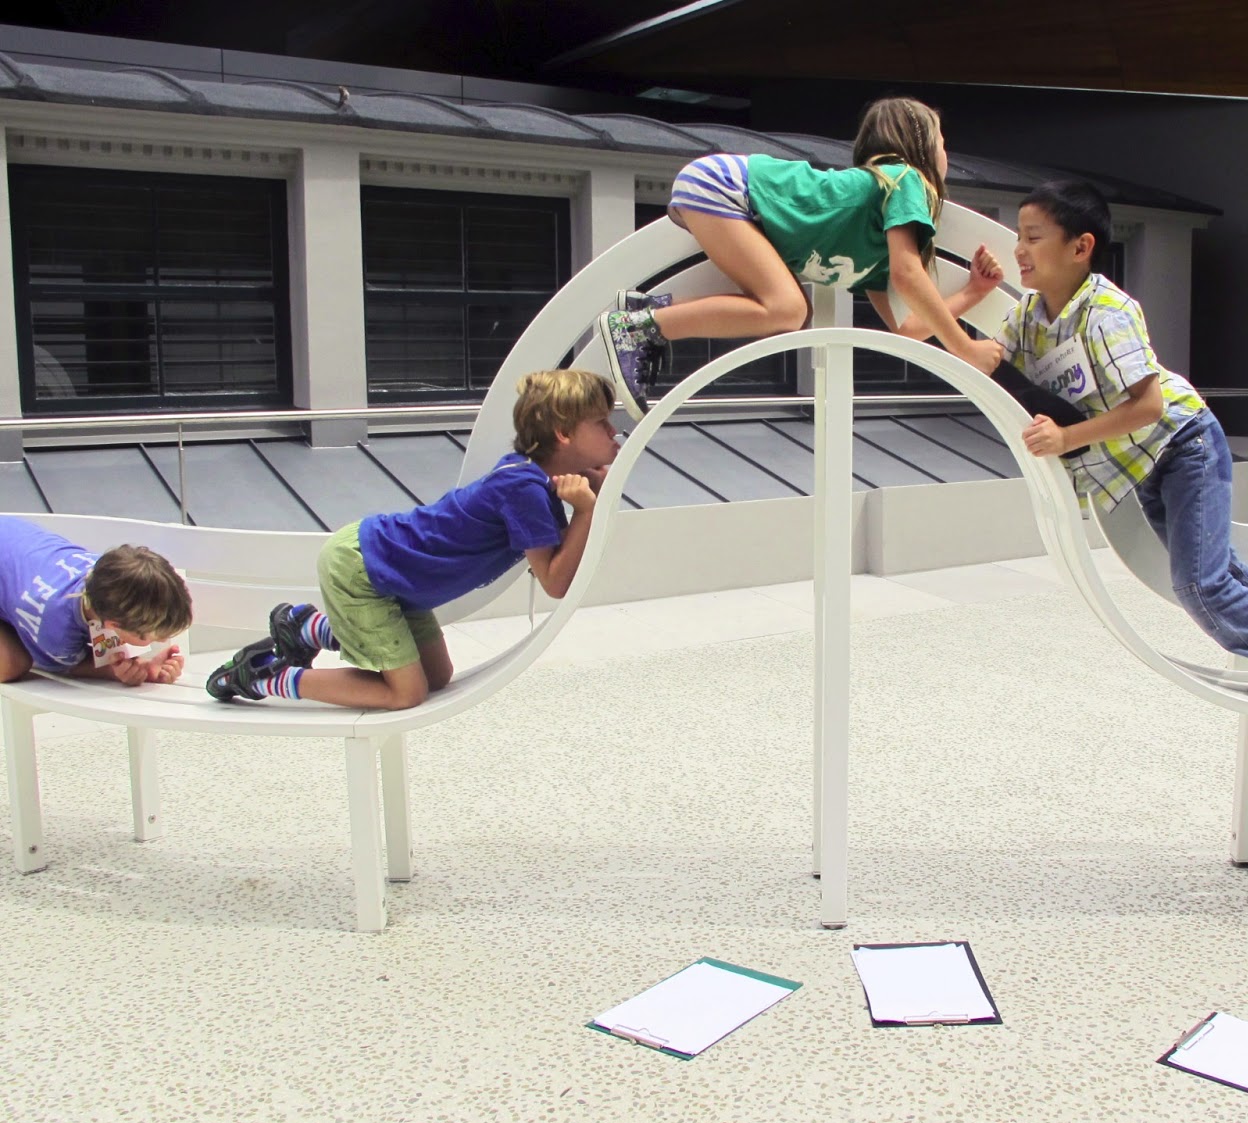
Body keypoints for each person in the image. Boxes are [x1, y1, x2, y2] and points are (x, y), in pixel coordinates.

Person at [989, 177, 1248, 701]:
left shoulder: (1107, 311)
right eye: (1019, 235)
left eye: (1033, 236)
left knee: (1200, 584)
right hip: (1143, 460)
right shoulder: (1028, 316)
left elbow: (1149, 406)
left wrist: (1066, 437)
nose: (1018, 249)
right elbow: (986, 360)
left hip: (1183, 443)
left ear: (1081, 247)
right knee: (1223, 574)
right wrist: (958, 298)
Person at [205, 370, 620, 711]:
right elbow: (555, 581)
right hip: (365, 568)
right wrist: (587, 511)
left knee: (437, 677)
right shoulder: (524, 488)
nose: (613, 431)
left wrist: (590, 499)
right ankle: (264, 676)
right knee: (406, 694)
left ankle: (307, 628)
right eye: (601, 422)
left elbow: (562, 556)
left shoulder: (534, 479)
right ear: (563, 433)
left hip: (397, 577)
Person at [598, 96, 1005, 419]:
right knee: (788, 309)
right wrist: (964, 350)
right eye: (943, 142)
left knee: (792, 310)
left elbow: (906, 329)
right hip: (725, 187)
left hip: (725, 191)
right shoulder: (904, 178)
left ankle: (650, 312)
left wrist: (973, 292)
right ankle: (639, 328)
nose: (947, 154)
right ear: (921, 148)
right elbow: (909, 274)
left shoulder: (876, 237)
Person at [0, 517, 190, 686]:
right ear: (112, 625)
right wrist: (115, 671)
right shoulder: (57, 630)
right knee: (12, 663)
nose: (163, 640)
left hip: (10, 535)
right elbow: (69, 667)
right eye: (154, 637)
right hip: (26, 582)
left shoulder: (110, 575)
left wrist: (142, 666)